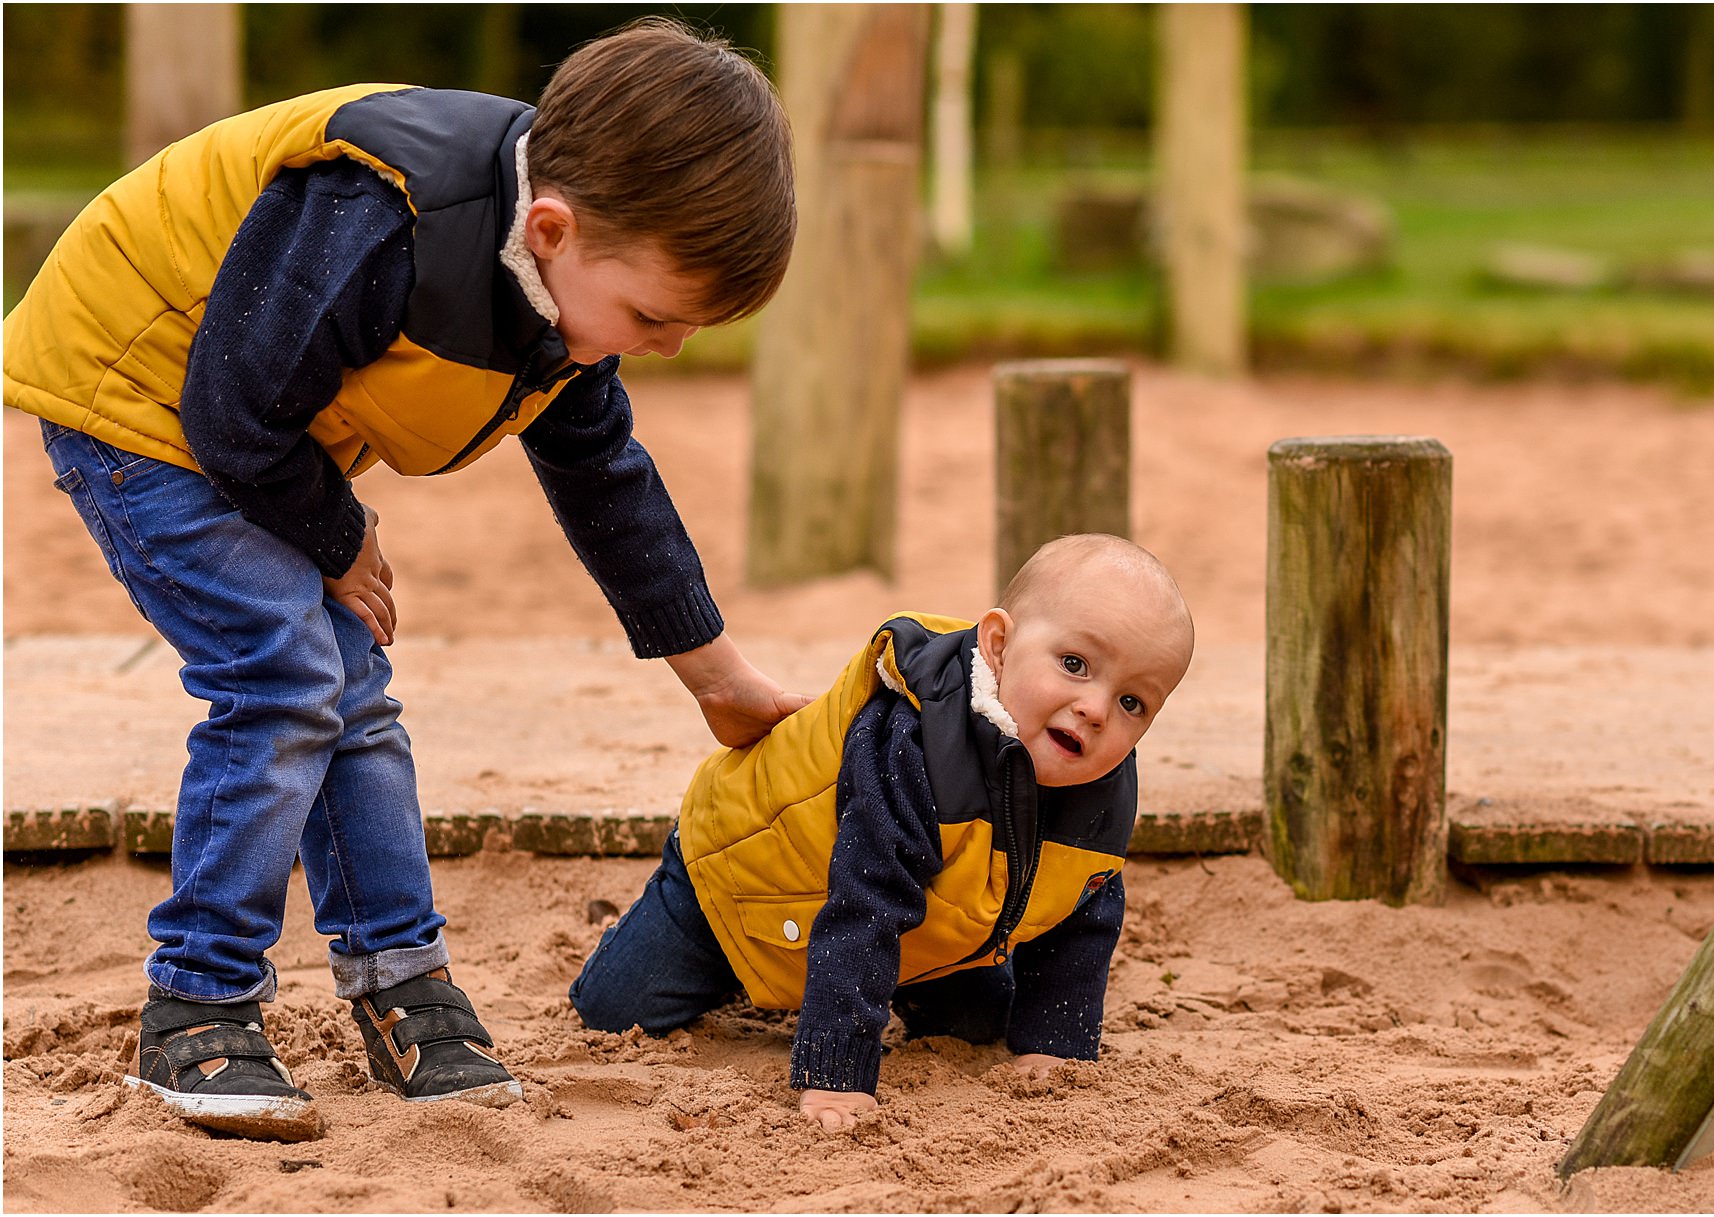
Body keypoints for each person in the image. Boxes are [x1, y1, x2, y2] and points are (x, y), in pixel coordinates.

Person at [2, 19, 808, 1139]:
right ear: (551, 226)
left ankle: (399, 980)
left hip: (257, 433)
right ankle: (197, 1000)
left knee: (353, 690)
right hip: (139, 399)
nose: (661, 347)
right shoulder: (383, 218)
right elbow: (233, 410)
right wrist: (339, 539)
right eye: (653, 317)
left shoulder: (557, 292)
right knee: (283, 674)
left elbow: (605, 480)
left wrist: (711, 670)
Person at [570, 534, 1196, 1130]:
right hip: (741, 881)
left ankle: (897, 988)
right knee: (615, 1013)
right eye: (1074, 664)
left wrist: (1056, 1046)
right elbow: (865, 904)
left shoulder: (1097, 789)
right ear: (998, 645)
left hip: (923, 920)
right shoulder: (914, 748)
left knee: (980, 1022)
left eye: (1133, 703)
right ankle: (662, 942)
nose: (1096, 708)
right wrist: (838, 1071)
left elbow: (1080, 914)